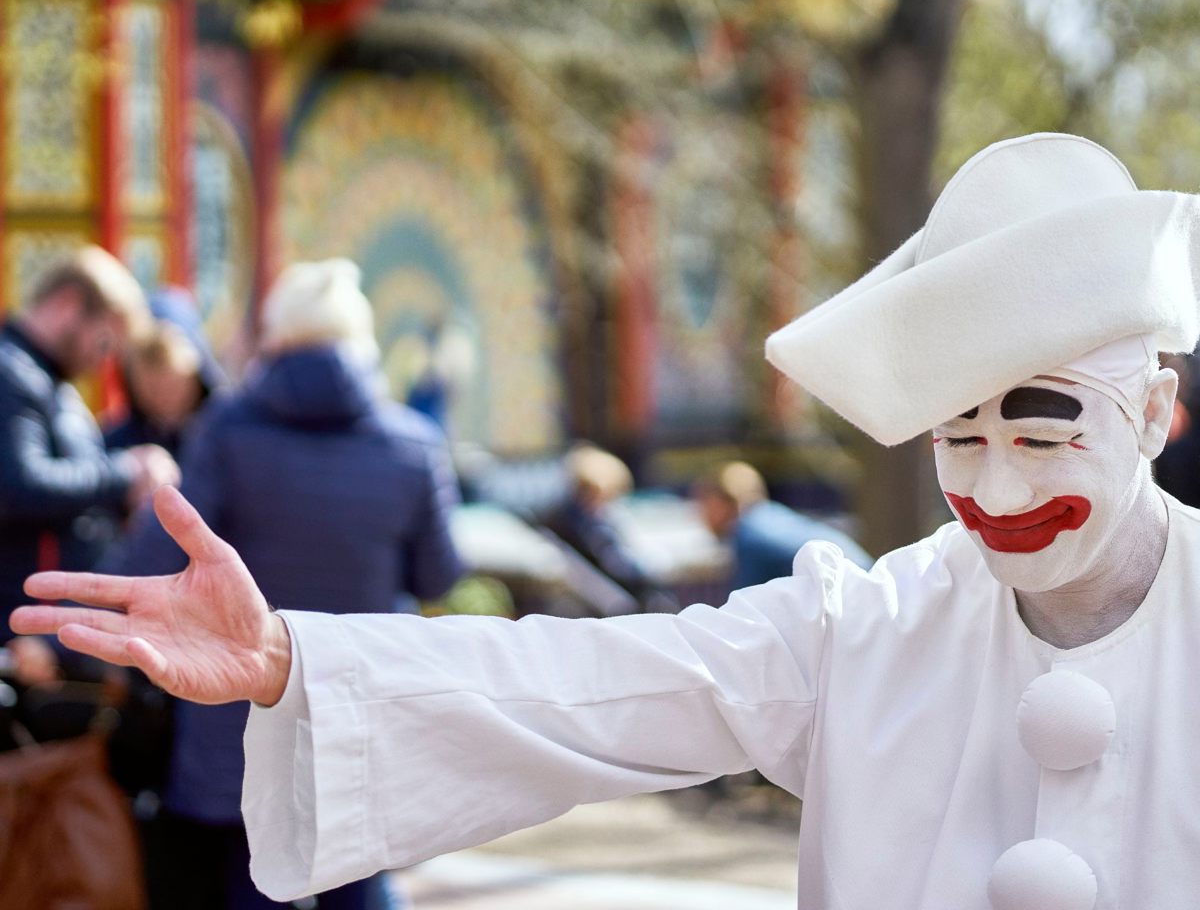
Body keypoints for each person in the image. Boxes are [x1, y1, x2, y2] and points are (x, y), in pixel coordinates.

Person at [14, 134, 1200, 909]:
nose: (997, 487)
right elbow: (600, 681)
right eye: (960, 437)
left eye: (1046, 436)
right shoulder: (868, 626)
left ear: (1154, 412)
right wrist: (294, 660)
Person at [94, 258, 466, 910]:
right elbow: (439, 573)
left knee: (253, 876)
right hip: (357, 703)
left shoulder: (228, 434)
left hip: (238, 715)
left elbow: (153, 556)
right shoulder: (413, 444)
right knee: (360, 872)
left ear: (278, 338)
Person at [0, 246, 179, 647]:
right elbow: (19, 485)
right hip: (23, 638)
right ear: (68, 304)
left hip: (48, 633)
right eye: (103, 345)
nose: (102, 363)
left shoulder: (46, 382)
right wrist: (128, 471)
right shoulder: (11, 374)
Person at [692, 460, 871, 589]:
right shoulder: (769, 514)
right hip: (866, 585)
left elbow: (742, 616)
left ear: (720, 503)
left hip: (851, 598)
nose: (700, 513)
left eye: (703, 502)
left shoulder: (748, 536)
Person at [544, 444, 678, 611]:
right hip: (610, 606)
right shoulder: (591, 525)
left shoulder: (570, 520)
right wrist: (649, 573)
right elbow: (620, 565)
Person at [105, 286, 224, 460]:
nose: (163, 398)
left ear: (195, 375)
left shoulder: (229, 433)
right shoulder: (117, 448)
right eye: (152, 389)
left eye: (172, 386)